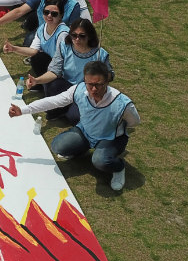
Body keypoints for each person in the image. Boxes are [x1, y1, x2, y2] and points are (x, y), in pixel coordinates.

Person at [9, 60, 137, 191]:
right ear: (85, 80)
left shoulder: (123, 103)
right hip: (85, 131)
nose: (93, 89)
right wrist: (23, 110)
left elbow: (134, 122)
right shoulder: (78, 89)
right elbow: (53, 102)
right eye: (90, 84)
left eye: (98, 85)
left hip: (111, 138)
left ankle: (119, 168)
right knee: (58, 146)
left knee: (100, 161)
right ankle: (81, 149)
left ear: (107, 81)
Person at [26, 19, 113, 120]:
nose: (77, 39)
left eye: (82, 36)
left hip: (85, 91)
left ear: (90, 36)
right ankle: (59, 110)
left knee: (74, 117)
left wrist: (102, 72)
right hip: (66, 86)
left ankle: (70, 108)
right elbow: (54, 71)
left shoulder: (100, 54)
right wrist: (37, 81)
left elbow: (110, 75)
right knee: (50, 83)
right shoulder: (64, 47)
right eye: (74, 35)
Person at [1, 3, 70, 75]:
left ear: (61, 15)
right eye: (46, 12)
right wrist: (13, 48)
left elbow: (62, 60)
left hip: (62, 66)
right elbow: (33, 51)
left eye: (54, 14)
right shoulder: (42, 27)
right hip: (51, 61)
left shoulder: (63, 34)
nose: (49, 15)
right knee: (36, 57)